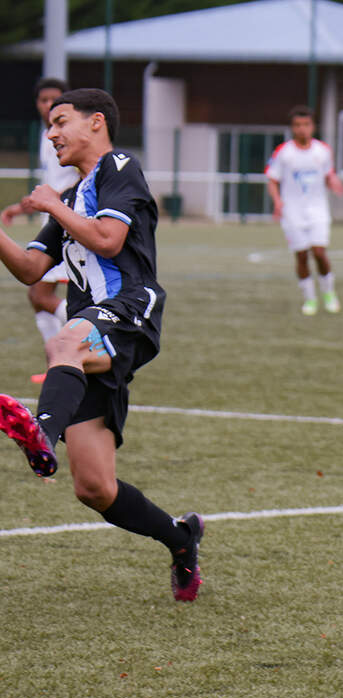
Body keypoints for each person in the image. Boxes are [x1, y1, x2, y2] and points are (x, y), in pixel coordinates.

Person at [0, 89, 204, 602]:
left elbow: (110, 241)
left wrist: (50, 203)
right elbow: (29, 269)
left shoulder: (119, 165)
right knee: (94, 488)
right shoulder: (70, 198)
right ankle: (181, 540)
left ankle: (40, 434)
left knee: (65, 339)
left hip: (130, 306)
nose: (51, 134)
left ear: (97, 122)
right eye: (49, 125)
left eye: (60, 121)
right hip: (96, 326)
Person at [2, 77, 80, 385]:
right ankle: (58, 359)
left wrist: (60, 204)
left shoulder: (71, 135)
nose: (48, 104)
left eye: (54, 99)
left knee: (40, 292)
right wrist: (21, 207)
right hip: (54, 221)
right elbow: (53, 187)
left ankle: (92, 340)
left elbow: (79, 181)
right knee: (37, 296)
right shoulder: (48, 136)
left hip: (68, 224)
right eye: (43, 100)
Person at [266, 106, 343, 315]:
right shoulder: (283, 152)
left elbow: (328, 174)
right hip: (292, 212)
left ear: (313, 126)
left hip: (318, 210)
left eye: (306, 125)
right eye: (297, 125)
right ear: (292, 128)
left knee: (319, 252)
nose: (302, 129)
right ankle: (309, 299)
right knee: (301, 256)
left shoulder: (323, 151)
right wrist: (277, 201)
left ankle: (329, 293)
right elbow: (272, 179)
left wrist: (333, 180)